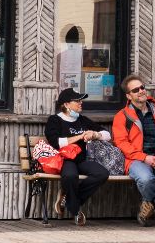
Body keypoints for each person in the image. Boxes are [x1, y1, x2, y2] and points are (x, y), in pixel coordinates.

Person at [112, 74, 155, 226]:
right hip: (136, 160)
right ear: (128, 96)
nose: (141, 91)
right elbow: (121, 143)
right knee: (145, 179)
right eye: (136, 90)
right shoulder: (122, 116)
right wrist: (145, 158)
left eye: (142, 87)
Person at [45, 88, 110, 226]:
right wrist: (79, 136)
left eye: (81, 100)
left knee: (102, 173)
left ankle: (68, 198)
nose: (81, 103)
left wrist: (95, 134)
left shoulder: (83, 120)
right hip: (65, 159)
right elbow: (56, 142)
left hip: (82, 160)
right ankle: (76, 211)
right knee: (69, 176)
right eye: (77, 100)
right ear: (66, 104)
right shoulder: (55, 120)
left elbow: (107, 135)